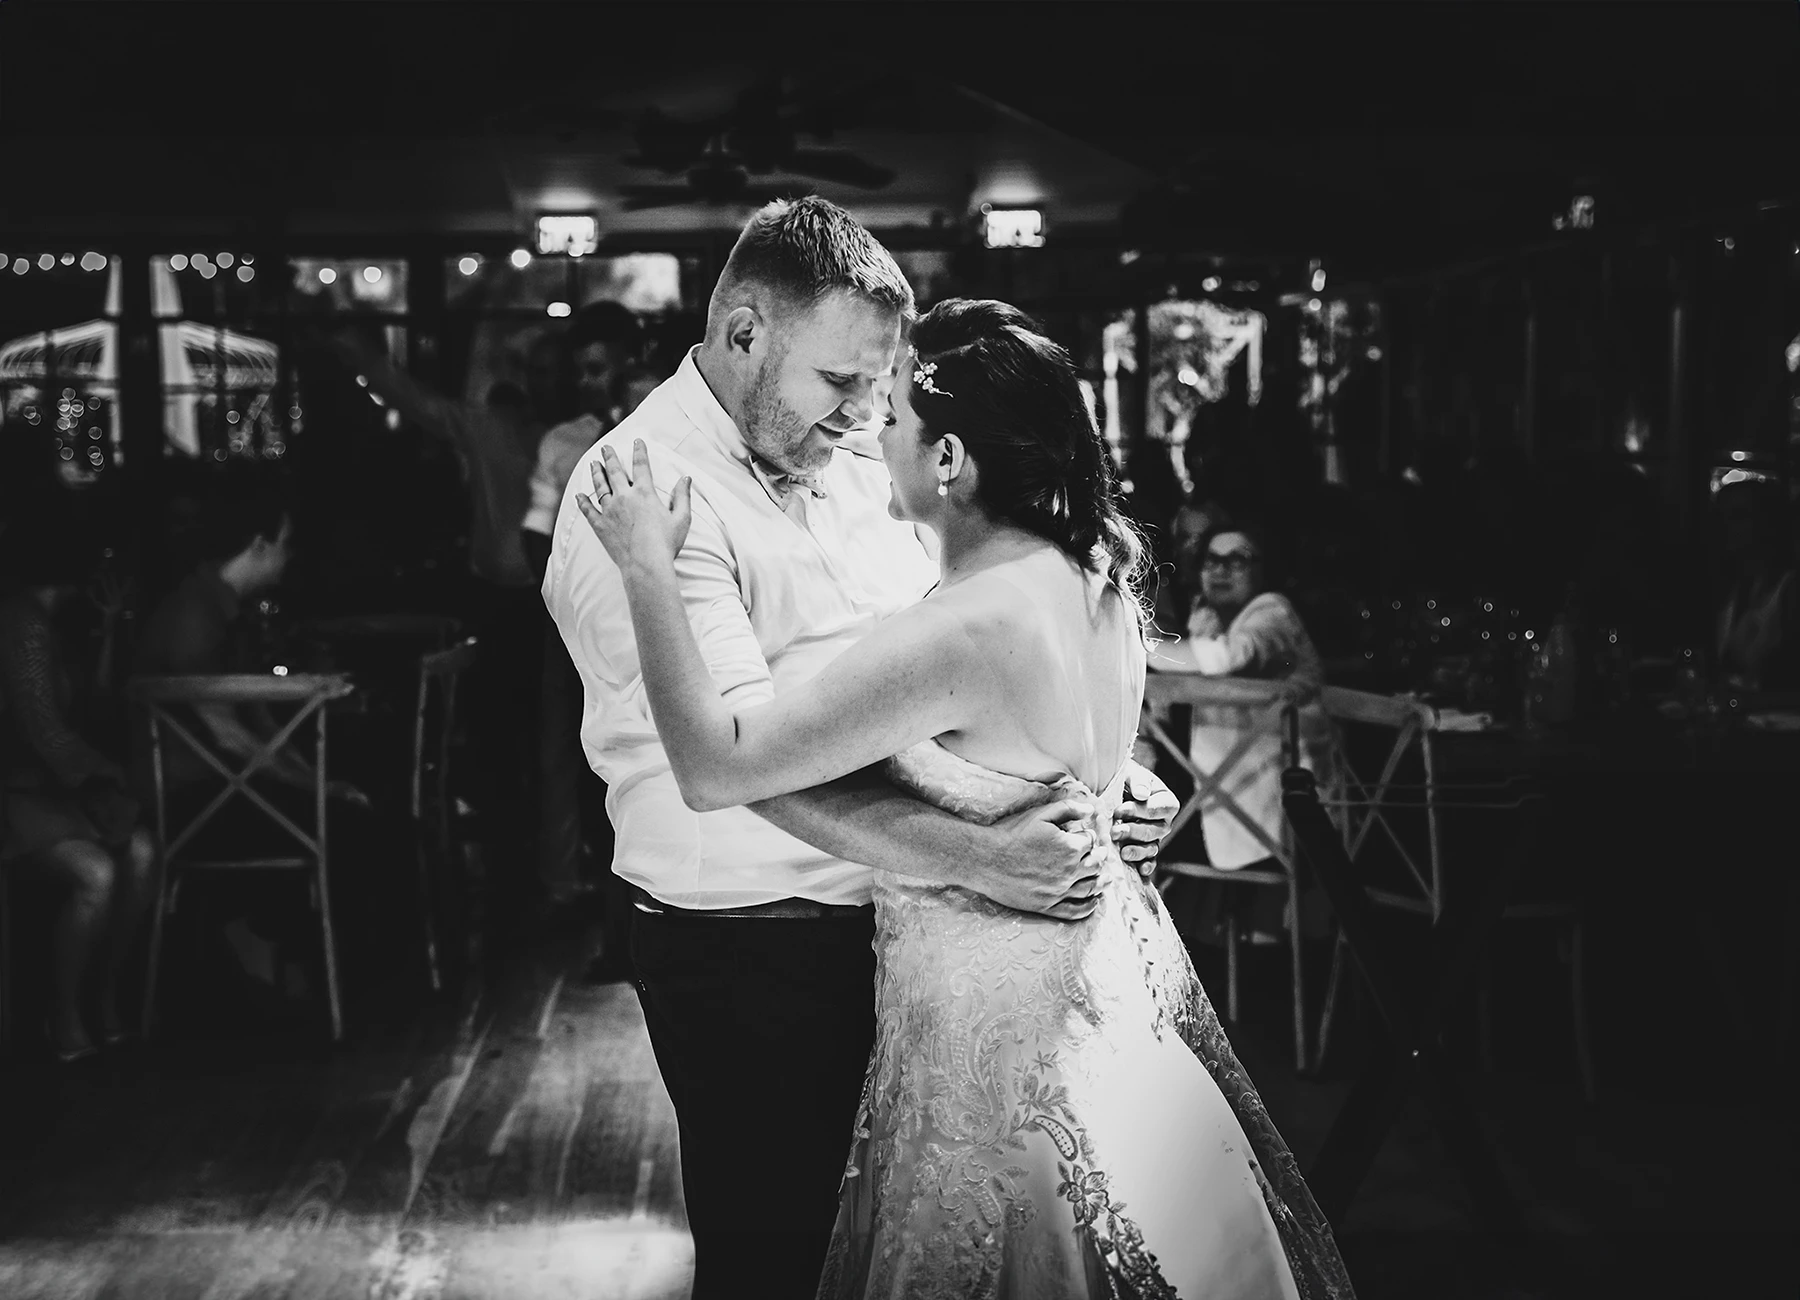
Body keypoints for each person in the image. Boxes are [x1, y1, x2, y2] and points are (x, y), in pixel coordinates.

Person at [579, 297, 1352, 1297]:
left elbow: (719, 766)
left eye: (892, 414)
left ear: (949, 459)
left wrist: (646, 563)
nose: (872, 431)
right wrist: (1130, 791)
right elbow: (1068, 761)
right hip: (1102, 989)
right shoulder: (1100, 579)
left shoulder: (958, 629)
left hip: (989, 1033)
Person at [545, 200, 1185, 1298]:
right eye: (840, 383)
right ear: (744, 332)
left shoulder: (858, 456)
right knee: (778, 1255)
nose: (857, 418)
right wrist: (974, 852)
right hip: (751, 947)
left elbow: (945, 679)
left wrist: (1079, 776)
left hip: (909, 943)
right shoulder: (637, 492)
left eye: (875, 393)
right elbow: (738, 771)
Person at [132, 475, 368, 997]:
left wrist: (314, 780)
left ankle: (297, 964)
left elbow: (255, 723)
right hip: (193, 802)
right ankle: (327, 981)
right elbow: (229, 736)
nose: (289, 558)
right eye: (286, 546)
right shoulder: (196, 616)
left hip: (222, 787)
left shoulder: (217, 608)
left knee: (351, 807)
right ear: (259, 546)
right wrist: (315, 788)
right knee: (352, 827)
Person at [0, 541, 156, 1062]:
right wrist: (116, 776)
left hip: (62, 793)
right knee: (98, 873)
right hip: (20, 797)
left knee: (141, 853)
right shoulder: (21, 621)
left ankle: (105, 997)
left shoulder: (54, 625)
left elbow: (93, 707)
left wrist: (108, 630)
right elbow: (43, 730)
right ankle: (63, 1011)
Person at [524, 301, 641, 921]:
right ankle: (575, 899)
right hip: (571, 623)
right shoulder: (563, 442)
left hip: (651, 621)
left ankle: (634, 899)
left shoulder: (665, 437)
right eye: (582, 372)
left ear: (630, 363)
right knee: (565, 757)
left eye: (599, 369)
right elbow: (534, 534)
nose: (589, 383)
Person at [1150, 521, 1334, 874]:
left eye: (1237, 560)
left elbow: (1234, 656)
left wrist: (1140, 645)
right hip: (1220, 801)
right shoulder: (1205, 618)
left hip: (1285, 814)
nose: (1220, 570)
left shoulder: (1273, 612)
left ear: (1262, 569)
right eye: (1211, 560)